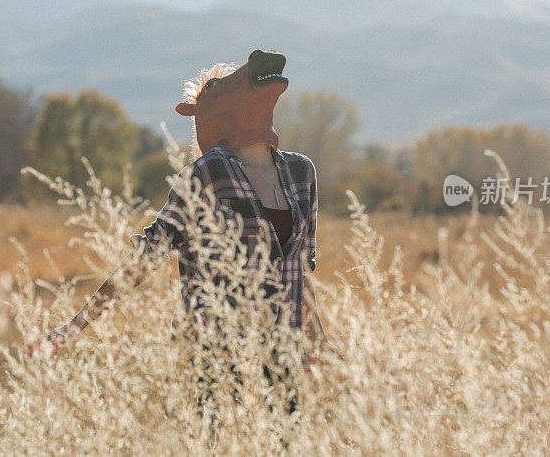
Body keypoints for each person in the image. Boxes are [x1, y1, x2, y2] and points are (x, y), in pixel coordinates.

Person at [26, 49, 343, 420]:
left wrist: (317, 342)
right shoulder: (206, 174)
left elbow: (299, 273)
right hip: (212, 356)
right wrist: (72, 328)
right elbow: (147, 257)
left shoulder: (302, 173)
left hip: (281, 358)